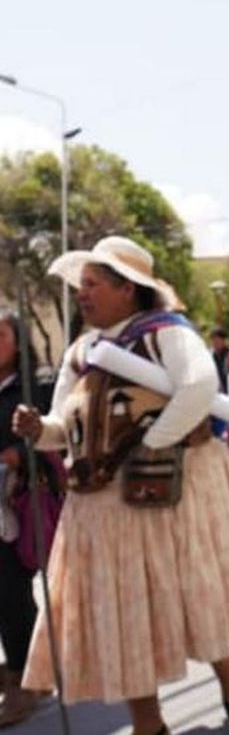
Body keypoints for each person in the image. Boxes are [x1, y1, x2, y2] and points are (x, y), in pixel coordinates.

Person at [9, 236, 229, 735]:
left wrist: (150, 444)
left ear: (127, 289)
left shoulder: (166, 334)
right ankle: (148, 723)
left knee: (183, 600)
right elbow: (63, 425)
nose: (83, 294)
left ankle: (228, 666)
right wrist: (39, 431)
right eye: (81, 286)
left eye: (92, 284)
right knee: (122, 619)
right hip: (97, 508)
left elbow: (200, 388)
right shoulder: (80, 352)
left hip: (162, 499)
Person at [0, 310, 54, 727]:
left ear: (18, 341)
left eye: (0, 334)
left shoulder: (38, 386)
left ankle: (25, 678)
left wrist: (22, 454)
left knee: (12, 593)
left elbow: (55, 438)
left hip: (20, 502)